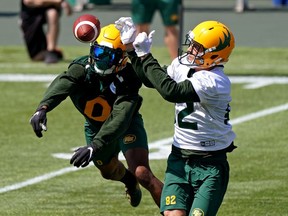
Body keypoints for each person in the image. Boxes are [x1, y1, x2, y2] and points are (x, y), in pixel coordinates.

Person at [29, 23, 163, 207]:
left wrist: (95, 145)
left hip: (127, 125)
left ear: (122, 59)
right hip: (94, 126)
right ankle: (129, 181)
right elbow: (64, 82)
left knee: (143, 174)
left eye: (109, 56)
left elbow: (120, 118)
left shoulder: (129, 78)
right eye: (99, 53)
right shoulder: (82, 67)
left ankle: (174, 211)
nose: (101, 60)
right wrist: (42, 108)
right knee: (108, 172)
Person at [115, 17, 237, 215]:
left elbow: (171, 92)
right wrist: (131, 50)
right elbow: (151, 79)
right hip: (179, 158)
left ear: (214, 56)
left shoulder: (216, 81)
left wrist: (146, 56)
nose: (190, 50)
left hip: (210, 163)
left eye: (197, 48)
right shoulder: (183, 66)